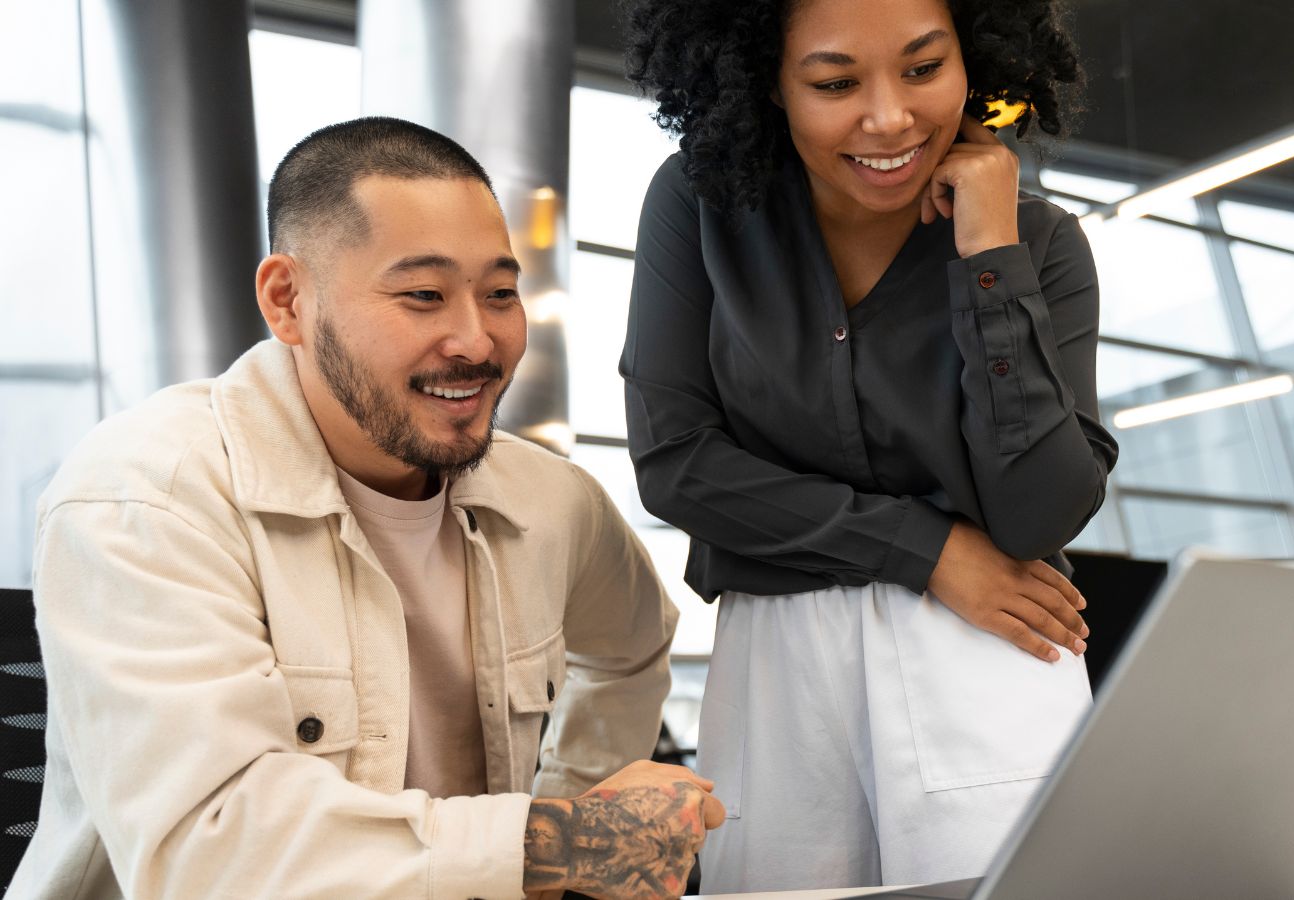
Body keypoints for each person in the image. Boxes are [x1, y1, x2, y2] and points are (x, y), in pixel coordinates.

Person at [12, 117, 722, 900]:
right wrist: (556, 842)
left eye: (499, 294)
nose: (476, 340)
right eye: (423, 295)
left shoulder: (551, 502)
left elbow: (631, 644)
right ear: (288, 301)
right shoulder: (145, 496)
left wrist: (574, 830)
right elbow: (210, 852)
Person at [622, 0, 1119, 891]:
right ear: (766, 82)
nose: (889, 117)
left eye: (925, 69)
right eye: (835, 82)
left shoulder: (1040, 242)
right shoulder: (699, 204)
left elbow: (1040, 508)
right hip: (782, 663)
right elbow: (676, 462)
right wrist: (924, 550)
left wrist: (988, 257)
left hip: (991, 647)